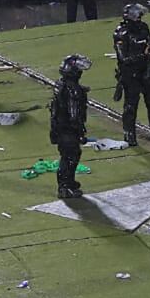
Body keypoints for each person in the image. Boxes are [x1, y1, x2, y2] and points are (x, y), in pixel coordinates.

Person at [113, 3, 150, 145]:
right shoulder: (121, 34)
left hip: (146, 71)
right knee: (131, 105)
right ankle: (129, 133)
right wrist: (144, 55)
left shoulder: (144, 28)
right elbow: (124, 58)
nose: (139, 19)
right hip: (131, 74)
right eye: (138, 17)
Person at [50, 53, 91, 198]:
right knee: (70, 156)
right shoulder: (73, 91)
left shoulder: (60, 85)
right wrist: (80, 131)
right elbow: (74, 114)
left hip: (59, 126)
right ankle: (64, 186)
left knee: (69, 155)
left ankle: (68, 183)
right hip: (67, 129)